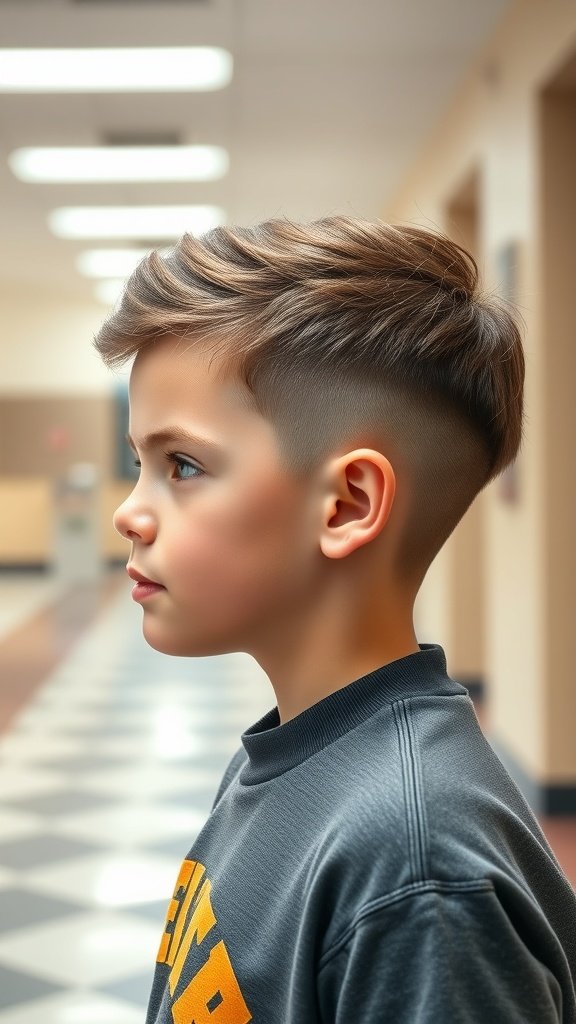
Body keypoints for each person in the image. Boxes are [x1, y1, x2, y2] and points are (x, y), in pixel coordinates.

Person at [94, 217, 576, 1023]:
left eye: (182, 465)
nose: (129, 514)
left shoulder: (416, 872)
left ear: (348, 504)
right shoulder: (289, 751)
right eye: (140, 462)